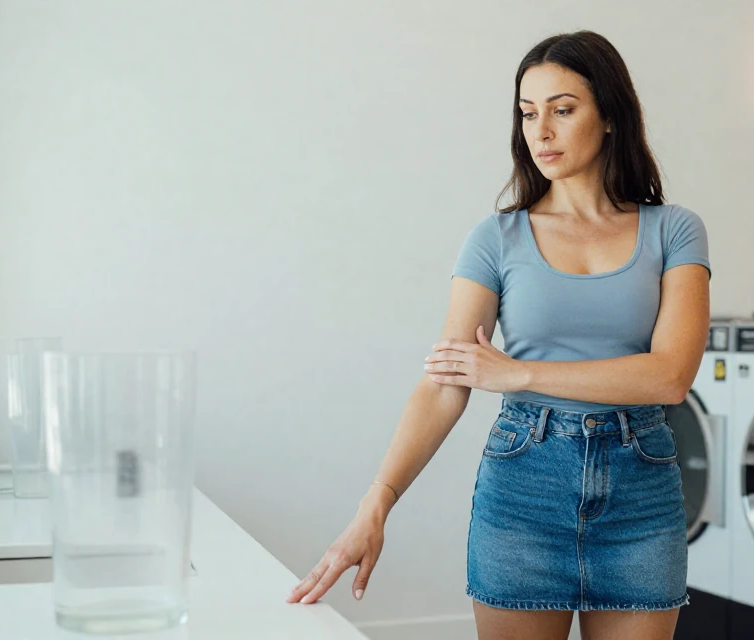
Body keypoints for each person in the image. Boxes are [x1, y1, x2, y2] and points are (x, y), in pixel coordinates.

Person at [286, 29, 710, 640]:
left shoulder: (675, 231)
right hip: (524, 491)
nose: (541, 131)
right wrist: (375, 503)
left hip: (640, 493)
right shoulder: (498, 238)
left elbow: (670, 377)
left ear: (611, 115)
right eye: (528, 113)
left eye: (563, 111)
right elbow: (444, 386)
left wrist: (518, 373)